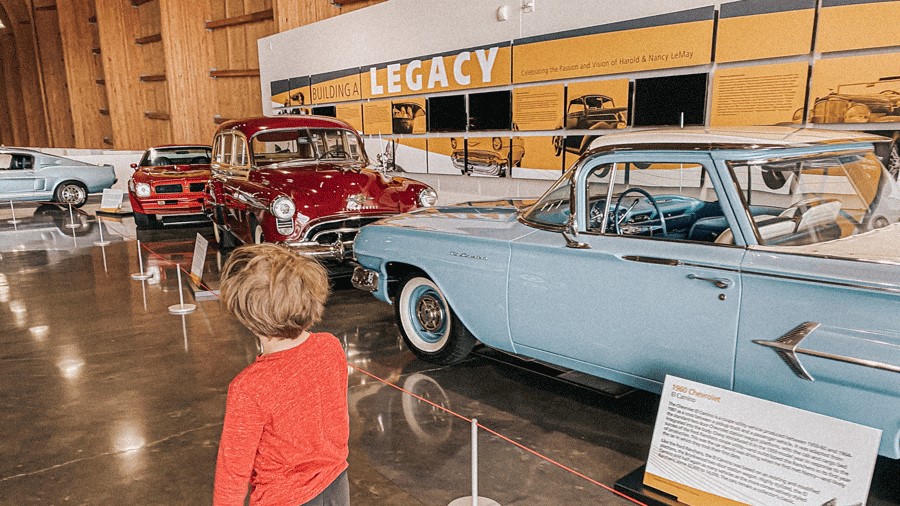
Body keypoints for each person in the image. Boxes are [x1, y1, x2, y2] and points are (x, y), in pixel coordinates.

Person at [213, 243, 349, 506]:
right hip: (335, 484)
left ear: (247, 317)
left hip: (283, 498)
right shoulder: (330, 346)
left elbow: (233, 472)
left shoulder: (249, 387)